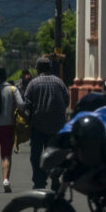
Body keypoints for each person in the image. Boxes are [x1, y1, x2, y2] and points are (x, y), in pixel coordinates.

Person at [23, 57, 71, 189]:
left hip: (38, 126)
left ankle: (39, 181)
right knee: (55, 154)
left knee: (36, 155)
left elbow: (26, 104)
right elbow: (67, 100)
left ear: (38, 69)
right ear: (50, 67)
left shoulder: (33, 83)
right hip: (57, 126)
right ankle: (54, 175)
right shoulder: (59, 83)